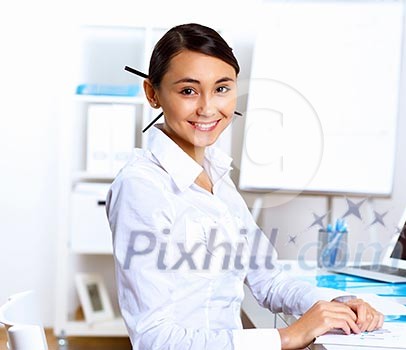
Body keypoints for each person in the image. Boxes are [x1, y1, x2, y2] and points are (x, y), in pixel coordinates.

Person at [105, 23, 383, 350]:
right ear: (153, 93)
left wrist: (338, 305)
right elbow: (155, 339)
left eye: (222, 89)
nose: (208, 108)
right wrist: (288, 336)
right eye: (188, 91)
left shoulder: (216, 176)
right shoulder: (142, 186)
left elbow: (269, 279)